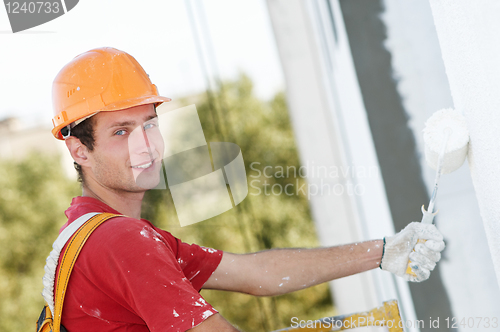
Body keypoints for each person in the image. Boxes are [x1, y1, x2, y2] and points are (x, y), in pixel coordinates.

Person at [48, 47, 445, 331]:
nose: (146, 145)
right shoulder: (119, 240)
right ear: (79, 149)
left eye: (149, 123)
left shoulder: (104, 235)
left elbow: (257, 274)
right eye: (121, 132)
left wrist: (383, 251)